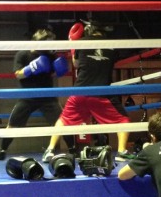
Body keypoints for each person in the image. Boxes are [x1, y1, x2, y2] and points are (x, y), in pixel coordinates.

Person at [42, 20, 133, 163]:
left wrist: (73, 48)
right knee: (123, 120)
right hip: (102, 94)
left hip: (81, 91)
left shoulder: (81, 42)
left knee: (63, 119)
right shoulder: (112, 45)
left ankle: (50, 149)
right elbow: (110, 64)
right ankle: (121, 151)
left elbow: (76, 64)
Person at [0, 29, 73, 161]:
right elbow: (18, 74)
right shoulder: (23, 54)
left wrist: (60, 70)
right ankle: (1, 151)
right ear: (38, 42)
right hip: (27, 96)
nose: (49, 46)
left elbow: (53, 73)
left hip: (47, 96)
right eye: (47, 43)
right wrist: (32, 67)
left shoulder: (50, 55)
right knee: (13, 124)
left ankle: (72, 149)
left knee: (62, 122)